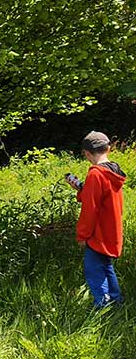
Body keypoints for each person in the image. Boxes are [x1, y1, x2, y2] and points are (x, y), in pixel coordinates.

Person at [69, 130, 126, 308]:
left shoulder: (96, 174)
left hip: (98, 232)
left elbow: (90, 208)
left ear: (86, 153)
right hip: (112, 229)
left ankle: (102, 306)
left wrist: (82, 235)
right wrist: (80, 189)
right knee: (105, 266)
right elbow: (100, 198)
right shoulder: (114, 171)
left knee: (93, 269)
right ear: (108, 149)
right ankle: (116, 301)